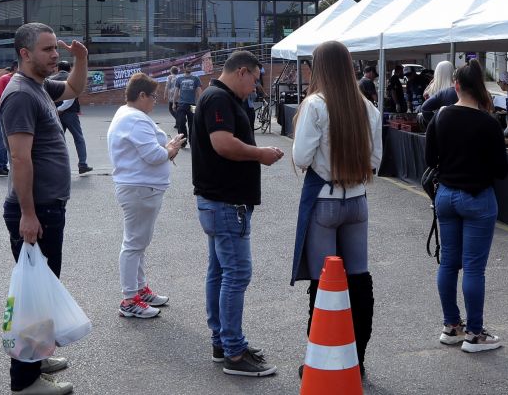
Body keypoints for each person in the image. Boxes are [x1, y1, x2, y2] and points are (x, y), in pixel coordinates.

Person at [0, 23, 87, 394]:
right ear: (25, 53)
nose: (56, 56)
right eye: (49, 50)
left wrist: (80, 59)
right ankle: (26, 381)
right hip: (36, 211)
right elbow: (19, 158)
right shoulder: (21, 94)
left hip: (47, 207)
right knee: (34, 297)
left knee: (42, 291)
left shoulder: (38, 87)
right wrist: (29, 214)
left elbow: (73, 88)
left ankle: (36, 355)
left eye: (57, 49)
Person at [290, 41, 383, 376]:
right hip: (357, 200)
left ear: (320, 68)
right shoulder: (368, 107)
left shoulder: (315, 105)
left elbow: (301, 158)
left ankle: (324, 359)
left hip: (324, 203)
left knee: (323, 283)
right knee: (359, 279)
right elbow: (376, 160)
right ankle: (357, 359)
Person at [192, 50, 284, 377]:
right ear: (242, 72)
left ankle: (224, 342)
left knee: (220, 271)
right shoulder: (219, 99)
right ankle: (233, 351)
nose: (255, 88)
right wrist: (260, 154)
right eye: (255, 80)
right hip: (226, 203)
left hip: (220, 201)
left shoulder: (217, 96)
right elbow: (223, 144)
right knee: (236, 273)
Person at [425, 59, 508, 353]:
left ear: (456, 85)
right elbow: (502, 169)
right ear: (481, 88)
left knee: (449, 262)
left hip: (446, 194)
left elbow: (429, 159)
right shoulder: (489, 122)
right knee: (474, 267)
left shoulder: (441, 115)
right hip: (477, 197)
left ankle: (451, 326)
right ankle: (475, 333)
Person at [108, 73, 185, 318]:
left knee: (138, 243)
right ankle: (129, 298)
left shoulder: (129, 115)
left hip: (141, 187)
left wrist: (167, 147)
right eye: (152, 97)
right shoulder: (135, 119)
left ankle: (139, 289)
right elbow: (154, 155)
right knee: (134, 244)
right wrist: (171, 147)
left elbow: (151, 150)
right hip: (139, 188)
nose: (155, 101)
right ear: (141, 95)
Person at [52, 61, 93, 175]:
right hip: (70, 113)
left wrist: (57, 110)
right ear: (70, 69)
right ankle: (82, 164)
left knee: (58, 140)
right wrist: (62, 108)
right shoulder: (71, 79)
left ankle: (60, 166)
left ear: (58, 68)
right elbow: (71, 97)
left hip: (56, 114)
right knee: (78, 138)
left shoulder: (52, 79)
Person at [0, 64, 16, 177]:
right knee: (2, 140)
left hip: (17, 113)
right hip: (5, 112)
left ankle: (3, 165)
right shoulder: (5, 79)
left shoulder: (24, 79)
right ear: (15, 68)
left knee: (11, 141)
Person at [172, 66, 203, 145]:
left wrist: (202, 102)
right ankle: (183, 141)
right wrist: (174, 103)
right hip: (181, 104)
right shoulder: (179, 79)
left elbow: (199, 91)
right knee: (181, 123)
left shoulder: (196, 78)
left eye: (190, 66)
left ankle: (192, 141)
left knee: (192, 124)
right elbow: (176, 92)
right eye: (188, 66)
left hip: (192, 105)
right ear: (184, 68)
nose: (190, 68)